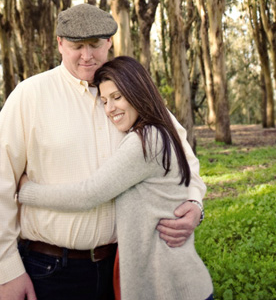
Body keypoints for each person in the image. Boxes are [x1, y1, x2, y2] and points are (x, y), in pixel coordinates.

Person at [0, 3, 206, 300]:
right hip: (52, 269)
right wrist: (9, 269)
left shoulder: (131, 93)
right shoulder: (30, 95)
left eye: (95, 45)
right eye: (77, 46)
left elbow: (181, 155)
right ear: (60, 43)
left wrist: (194, 203)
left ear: (110, 42)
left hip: (124, 267)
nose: (87, 56)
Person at [17, 56, 214, 300]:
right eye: (104, 101)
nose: (110, 109)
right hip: (176, 283)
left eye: (117, 97)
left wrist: (25, 190)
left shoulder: (144, 141)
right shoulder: (158, 130)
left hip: (170, 288)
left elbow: (88, 194)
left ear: (137, 92)